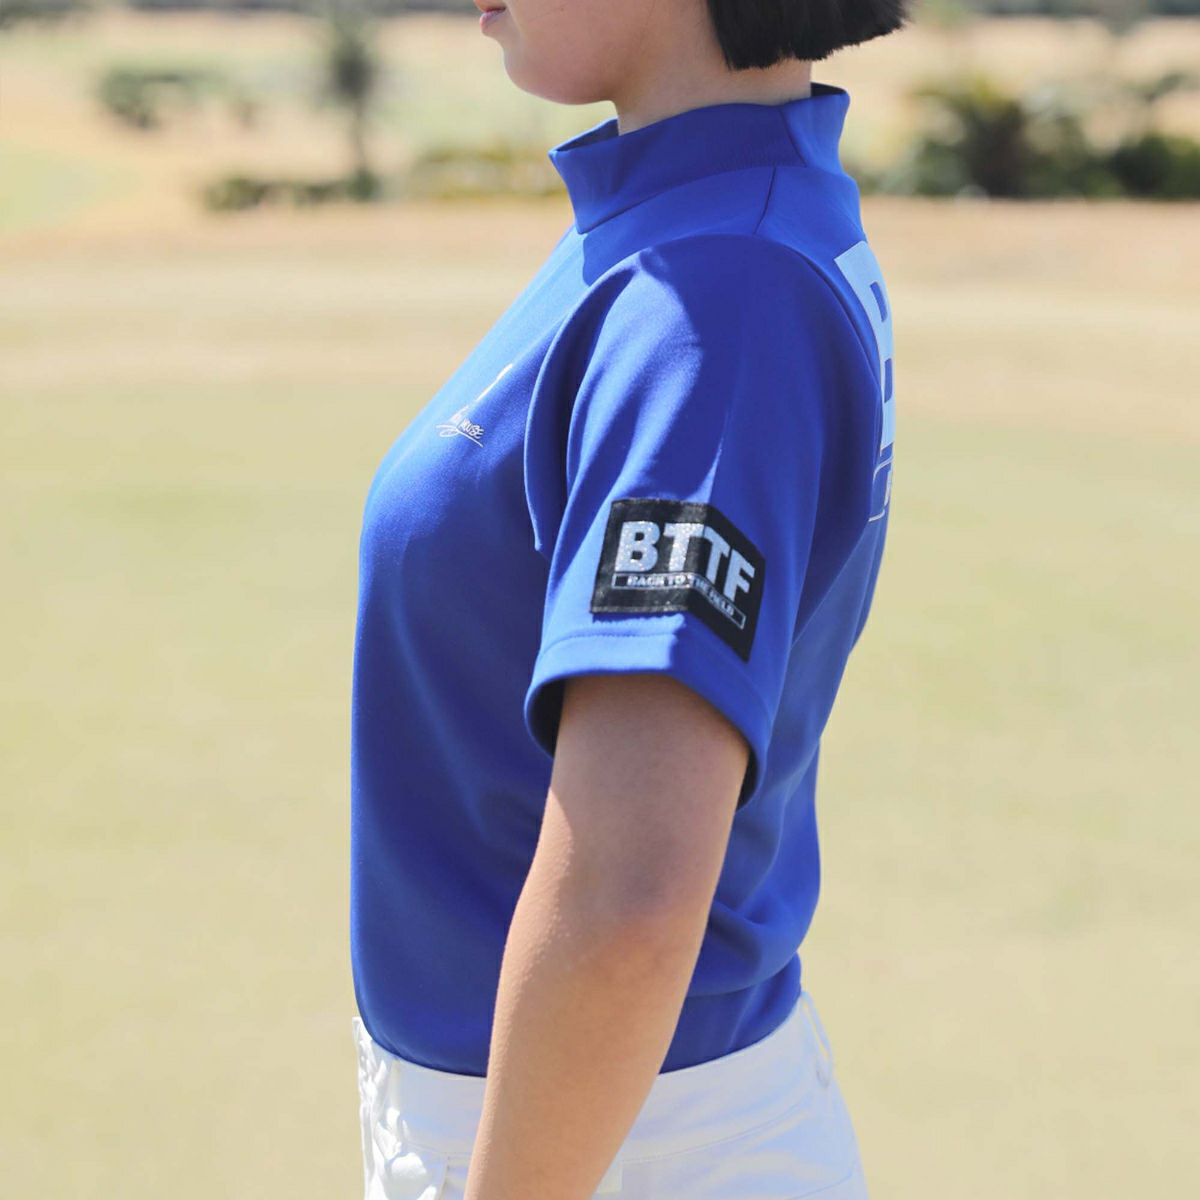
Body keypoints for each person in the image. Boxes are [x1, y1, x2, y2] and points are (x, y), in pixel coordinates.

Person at [349, 1, 907, 1196]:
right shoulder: (693, 225)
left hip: (611, 1142)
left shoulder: (717, 292)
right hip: (585, 1120)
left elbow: (629, 907)